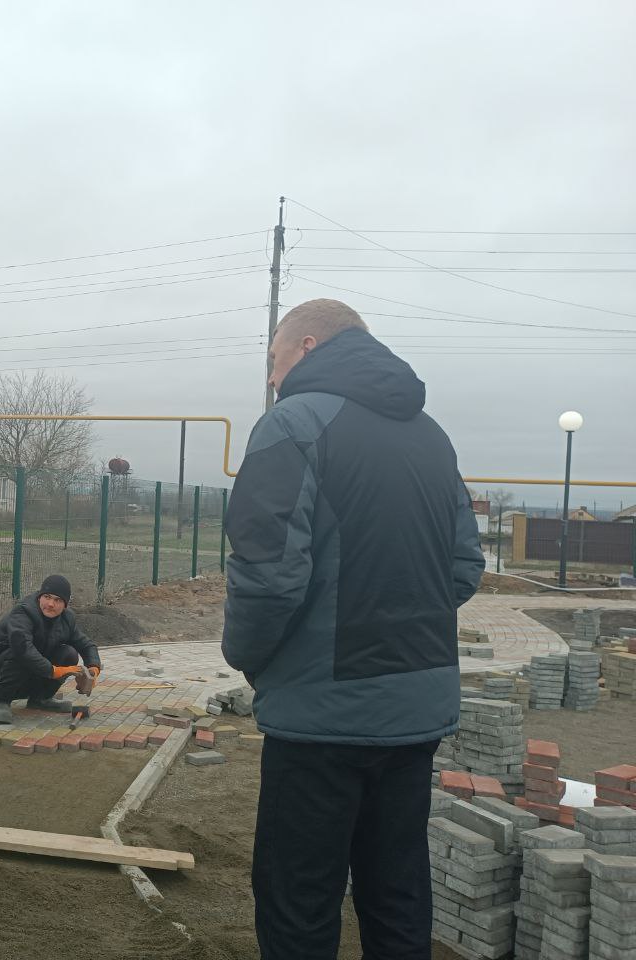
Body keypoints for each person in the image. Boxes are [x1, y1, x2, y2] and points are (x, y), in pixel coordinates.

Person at [221, 300, 484, 960]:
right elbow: (462, 567)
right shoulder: (432, 437)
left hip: (321, 721)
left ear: (308, 346)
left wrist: (249, 657)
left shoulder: (293, 424)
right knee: (397, 892)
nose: (272, 376)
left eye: (274, 360)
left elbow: (268, 575)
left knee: (300, 900)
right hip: (415, 713)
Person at [0, 574, 102, 724]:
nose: (50, 604)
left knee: (68, 654)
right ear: (39, 597)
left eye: (58, 600)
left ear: (65, 604)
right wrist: (54, 671)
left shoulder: (66, 619)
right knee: (20, 651)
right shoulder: (23, 612)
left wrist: (94, 668)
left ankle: (41, 699)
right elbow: (23, 649)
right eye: (47, 597)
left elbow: (86, 644)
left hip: (29, 676)